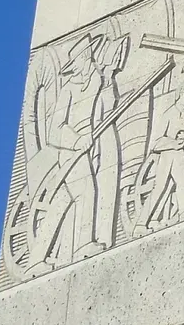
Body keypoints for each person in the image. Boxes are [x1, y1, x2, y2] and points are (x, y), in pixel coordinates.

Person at [41, 31, 126, 260]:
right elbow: (55, 129)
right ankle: (83, 245)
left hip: (93, 146)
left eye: (78, 60)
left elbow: (106, 106)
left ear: (86, 56)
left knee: (63, 199)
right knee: (87, 189)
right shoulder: (69, 88)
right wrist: (77, 139)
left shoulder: (99, 79)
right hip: (73, 150)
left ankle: (36, 260)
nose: (76, 66)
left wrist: (109, 78)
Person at [130, 75, 184, 237]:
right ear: (181, 92)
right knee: (159, 188)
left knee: (183, 181)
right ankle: (140, 225)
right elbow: (155, 143)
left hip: (179, 153)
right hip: (167, 155)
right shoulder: (170, 113)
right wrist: (173, 142)